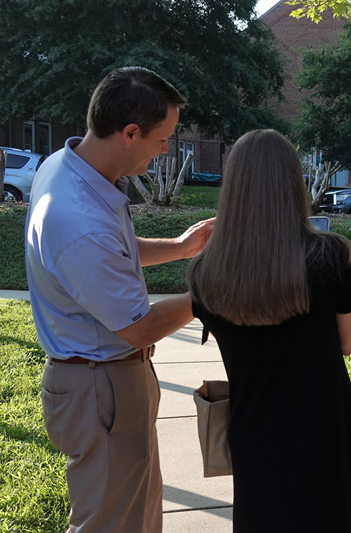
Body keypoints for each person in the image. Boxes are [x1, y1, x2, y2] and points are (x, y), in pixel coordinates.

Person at [26, 66, 215, 533]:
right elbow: (141, 327)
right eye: (162, 139)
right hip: (100, 386)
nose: (166, 149)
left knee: (137, 516)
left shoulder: (67, 166)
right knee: (112, 524)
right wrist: (216, 291)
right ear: (130, 133)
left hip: (104, 380)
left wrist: (181, 247)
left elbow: (112, 251)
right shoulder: (77, 218)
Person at [187, 129, 351, 533]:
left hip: (254, 433)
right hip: (325, 432)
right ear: (293, 184)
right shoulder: (332, 255)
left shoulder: (205, 272)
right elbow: (348, 343)